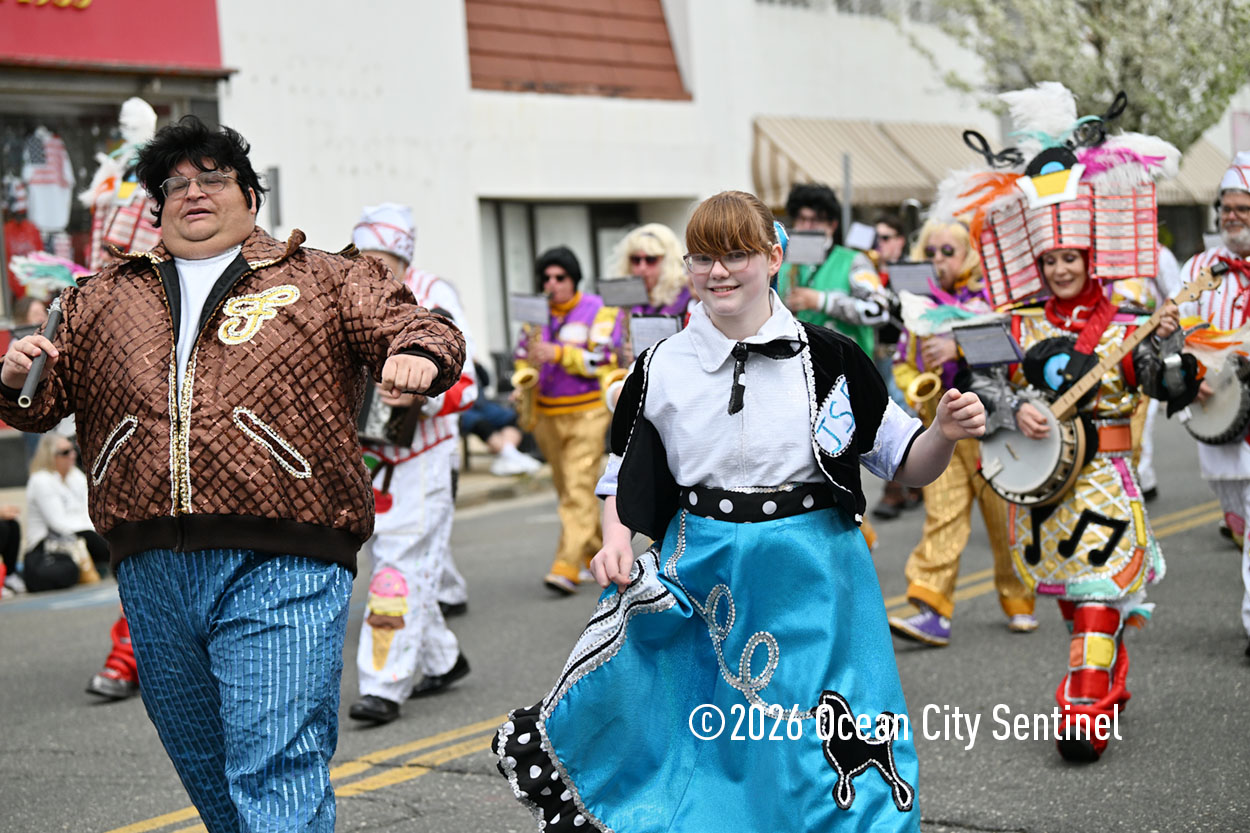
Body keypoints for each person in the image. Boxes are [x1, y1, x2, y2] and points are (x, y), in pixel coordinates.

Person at [0, 115, 464, 830]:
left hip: (287, 553)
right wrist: (14, 377)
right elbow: (39, 404)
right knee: (213, 776)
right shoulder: (102, 297)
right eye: (174, 183)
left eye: (212, 177)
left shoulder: (324, 277)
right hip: (150, 565)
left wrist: (418, 354)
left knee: (273, 766)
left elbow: (423, 325)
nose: (193, 191)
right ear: (156, 207)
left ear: (251, 195)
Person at [494, 190, 988, 831]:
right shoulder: (659, 366)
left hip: (816, 578)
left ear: (774, 257)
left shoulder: (833, 358)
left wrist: (943, 432)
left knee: (820, 754)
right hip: (703, 578)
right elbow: (625, 477)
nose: (718, 272)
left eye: (736, 255)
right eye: (702, 258)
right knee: (713, 754)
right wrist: (615, 541)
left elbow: (905, 463)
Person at [958, 83, 1192, 760]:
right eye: (1051, 260)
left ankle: (1084, 703)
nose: (1061, 269)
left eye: (1071, 258)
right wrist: (1016, 408)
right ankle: (1107, 666)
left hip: (1106, 481)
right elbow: (977, 392)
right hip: (1039, 489)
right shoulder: (1010, 322)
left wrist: (1170, 348)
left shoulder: (1129, 321)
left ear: (1091, 258)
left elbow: (1168, 387)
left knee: (1095, 596)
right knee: (1073, 604)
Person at [347, 203, 474, 724]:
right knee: (402, 567)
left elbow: (468, 384)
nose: (372, 271)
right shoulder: (349, 294)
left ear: (403, 259)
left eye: (382, 261)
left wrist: (421, 392)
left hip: (423, 459)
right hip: (369, 458)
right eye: (362, 259)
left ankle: (383, 685)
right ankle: (443, 659)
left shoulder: (434, 296)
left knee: (395, 574)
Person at [889, 219, 1036, 645]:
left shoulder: (990, 299)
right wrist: (914, 387)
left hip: (990, 423)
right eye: (930, 252)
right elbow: (903, 362)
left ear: (968, 255)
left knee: (1004, 517)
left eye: (947, 252)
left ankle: (1019, 598)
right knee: (943, 514)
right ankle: (932, 607)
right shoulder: (917, 307)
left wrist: (957, 346)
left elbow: (1013, 354)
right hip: (941, 425)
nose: (938, 259)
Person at [513, 246, 621, 595]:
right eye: (546, 278)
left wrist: (560, 353)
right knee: (570, 489)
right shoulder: (535, 315)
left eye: (559, 277)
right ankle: (594, 552)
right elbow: (521, 356)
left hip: (587, 411)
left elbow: (603, 358)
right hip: (547, 413)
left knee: (576, 488)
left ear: (573, 279)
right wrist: (522, 380)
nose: (552, 284)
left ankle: (565, 565)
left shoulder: (599, 310)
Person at [1177, 150, 1250, 659]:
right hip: (1218, 420)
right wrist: (1189, 373)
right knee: (1238, 520)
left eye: (1243, 208)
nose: (1232, 216)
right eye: (1226, 208)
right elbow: (1174, 333)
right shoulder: (1199, 269)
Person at [872, 212, 922, 519]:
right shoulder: (867, 270)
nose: (879, 244)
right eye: (876, 238)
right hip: (875, 353)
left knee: (900, 415)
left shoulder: (909, 270)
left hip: (901, 354)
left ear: (900, 241)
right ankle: (910, 485)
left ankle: (897, 488)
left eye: (886, 238)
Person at [24, 433, 108, 575]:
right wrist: (91, 530)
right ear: (50, 456)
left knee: (105, 535)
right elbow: (58, 523)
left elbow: (89, 509)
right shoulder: (40, 480)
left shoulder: (74, 475)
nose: (72, 455)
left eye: (73, 449)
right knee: (94, 539)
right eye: (65, 452)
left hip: (74, 534)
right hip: (46, 545)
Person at [459, 361, 543, 476]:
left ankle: (507, 455)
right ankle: (511, 455)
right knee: (480, 423)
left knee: (510, 417)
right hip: (460, 408)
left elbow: (486, 382)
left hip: (481, 404)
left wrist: (477, 365)